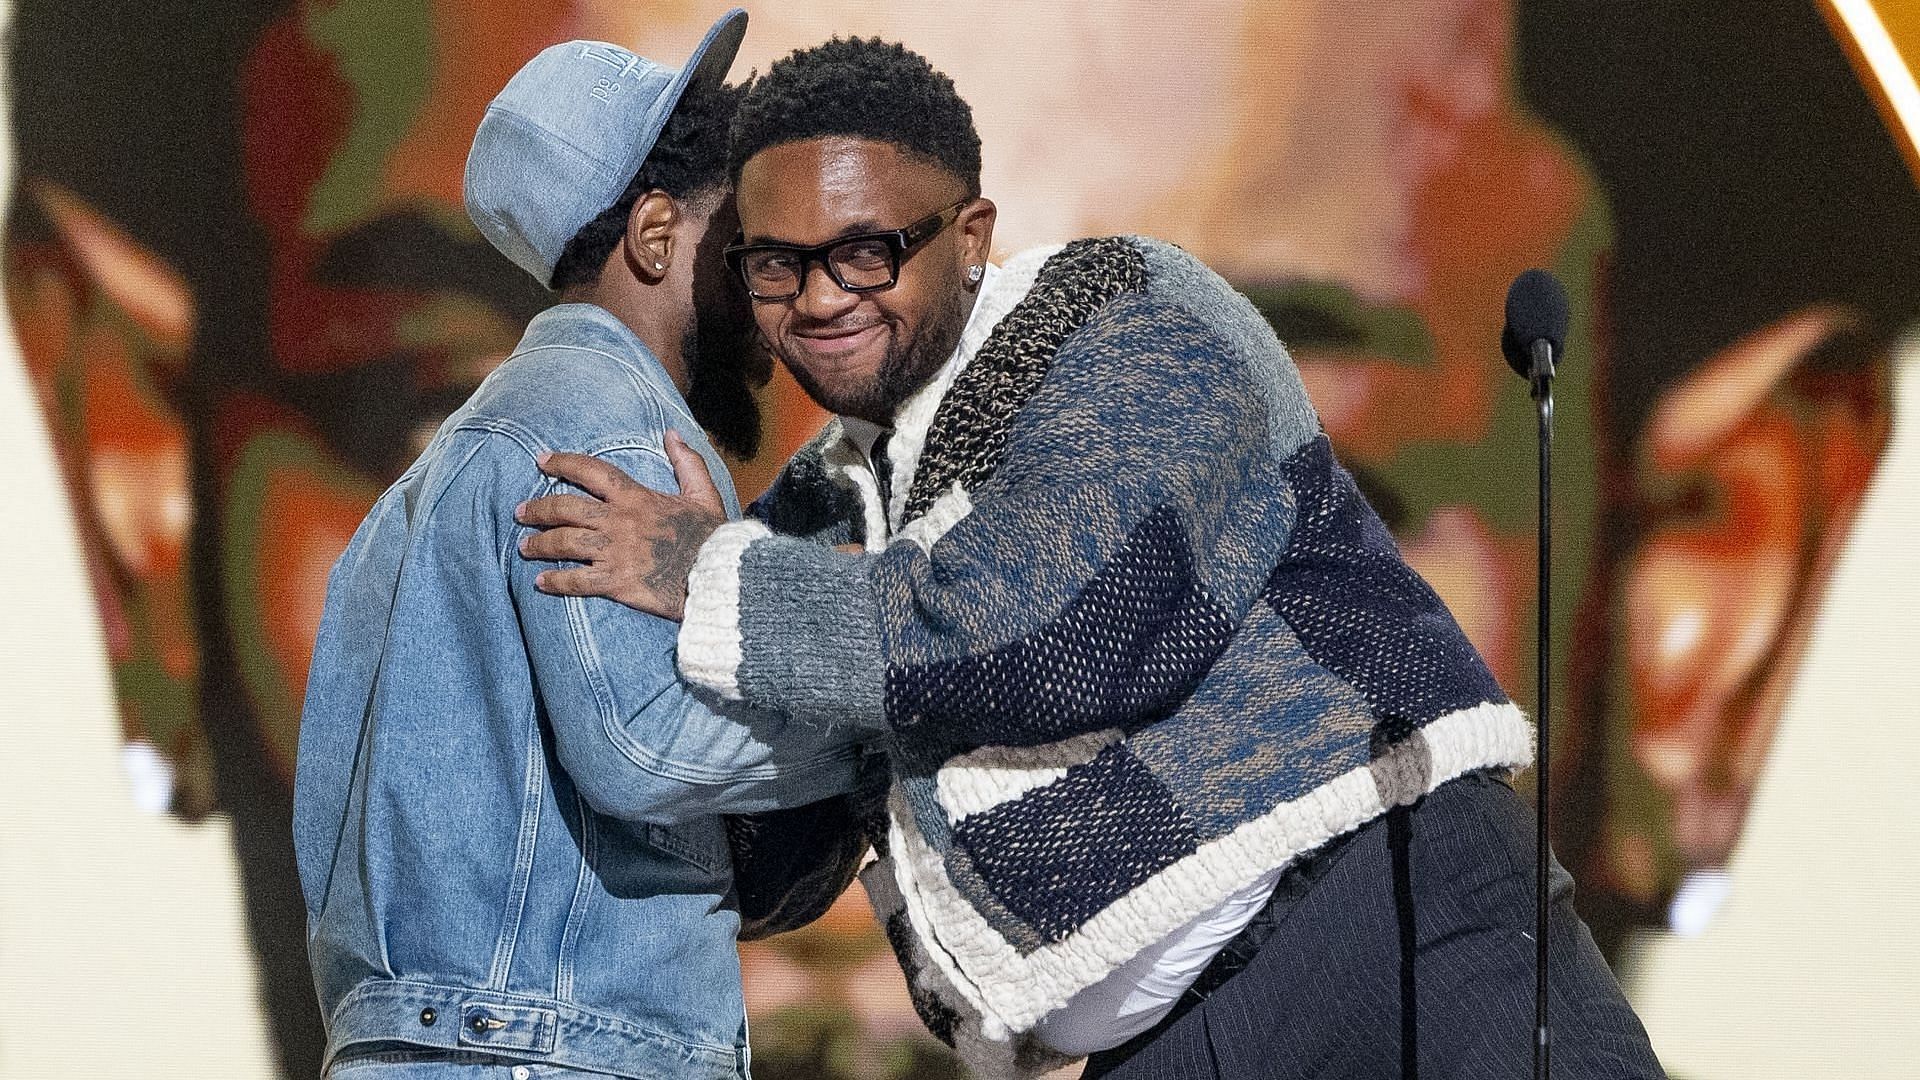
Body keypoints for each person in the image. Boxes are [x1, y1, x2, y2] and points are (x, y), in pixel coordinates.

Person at [516, 36, 1666, 1079]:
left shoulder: (1125, 314)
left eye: (867, 251)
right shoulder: (826, 506)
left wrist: (703, 574)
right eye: (779, 266)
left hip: (1393, 928)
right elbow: (780, 821)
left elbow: (1055, 628)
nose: (821, 299)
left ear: (970, 237)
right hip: (1162, 1045)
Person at [292, 13, 868, 1078]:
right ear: (655, 235)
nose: (773, 280)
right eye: (742, 235)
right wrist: (900, 715)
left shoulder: (430, 484)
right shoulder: (604, 414)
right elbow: (644, 744)